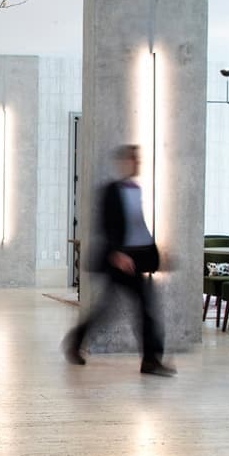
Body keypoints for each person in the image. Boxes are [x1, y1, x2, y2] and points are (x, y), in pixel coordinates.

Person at [63, 144, 174, 376]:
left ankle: (76, 341)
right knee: (140, 307)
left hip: (134, 259)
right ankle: (150, 360)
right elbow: (106, 225)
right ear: (125, 162)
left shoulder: (136, 190)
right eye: (134, 159)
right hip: (119, 261)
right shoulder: (111, 191)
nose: (138, 163)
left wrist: (154, 257)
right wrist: (117, 253)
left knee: (115, 308)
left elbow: (138, 226)